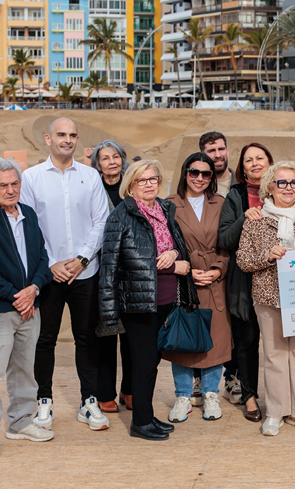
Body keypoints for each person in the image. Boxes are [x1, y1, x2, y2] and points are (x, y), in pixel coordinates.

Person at [20, 118, 111, 432]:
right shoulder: (30, 178)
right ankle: (44, 400)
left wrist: (83, 259)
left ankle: (89, 401)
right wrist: (52, 264)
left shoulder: (90, 176)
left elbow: (101, 220)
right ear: (48, 138)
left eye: (73, 135)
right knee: (45, 340)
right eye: (61, 134)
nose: (67, 140)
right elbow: (29, 225)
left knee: (86, 339)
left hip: (85, 272)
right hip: (49, 274)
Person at [99, 160, 195, 440]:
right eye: (143, 180)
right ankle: (140, 422)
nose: (150, 184)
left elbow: (176, 245)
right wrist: (171, 266)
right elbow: (114, 265)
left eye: (154, 178)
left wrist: (176, 255)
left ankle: (147, 414)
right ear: (130, 185)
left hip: (166, 299)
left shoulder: (165, 209)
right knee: (143, 362)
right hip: (139, 303)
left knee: (151, 362)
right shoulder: (120, 216)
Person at [236, 161, 295, 436]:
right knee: (275, 356)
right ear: (270, 187)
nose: (288, 188)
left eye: (294, 183)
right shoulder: (256, 219)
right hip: (268, 297)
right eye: (282, 183)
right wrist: (267, 255)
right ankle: (276, 412)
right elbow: (243, 260)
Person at [0, 159, 55, 458]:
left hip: (30, 307)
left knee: (24, 371)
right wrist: (16, 296)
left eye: (14, 183)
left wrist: (34, 289)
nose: (9, 190)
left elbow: (43, 259)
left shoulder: (28, 214)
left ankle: (19, 424)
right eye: (2, 185)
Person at [165, 153, 233, 423]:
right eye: (194, 172)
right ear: (185, 172)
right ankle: (183, 395)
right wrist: (186, 270)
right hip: (183, 278)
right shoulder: (169, 204)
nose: (200, 178)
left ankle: (211, 394)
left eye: (206, 174)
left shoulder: (220, 202)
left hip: (215, 279)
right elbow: (164, 243)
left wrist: (217, 269)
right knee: (183, 338)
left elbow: (228, 243)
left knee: (214, 339)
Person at [218, 142, 273, 422]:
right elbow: (225, 239)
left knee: (279, 345)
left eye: (260, 158)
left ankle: (280, 398)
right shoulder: (236, 195)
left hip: (278, 282)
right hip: (244, 282)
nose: (254, 163)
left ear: (269, 161)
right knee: (247, 342)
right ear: (242, 166)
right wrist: (243, 218)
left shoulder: (284, 189)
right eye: (248, 159)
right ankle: (250, 396)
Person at [90, 140, 133, 414]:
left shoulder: (133, 187)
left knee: (131, 335)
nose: (111, 162)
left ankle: (128, 389)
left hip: (130, 271)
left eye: (115, 156)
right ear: (97, 164)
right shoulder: (92, 189)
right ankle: (104, 391)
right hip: (102, 269)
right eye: (105, 158)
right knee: (105, 332)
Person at [197, 131, 234, 405]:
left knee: (234, 326)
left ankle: (232, 379)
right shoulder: (197, 180)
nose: (218, 154)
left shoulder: (239, 183)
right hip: (207, 267)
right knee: (204, 322)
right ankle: (199, 377)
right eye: (212, 150)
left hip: (236, 263)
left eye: (221, 148)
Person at [200, 131, 233, 198]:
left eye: (221, 149)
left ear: (227, 152)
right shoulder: (198, 185)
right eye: (212, 151)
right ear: (203, 155)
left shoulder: (242, 183)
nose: (217, 155)